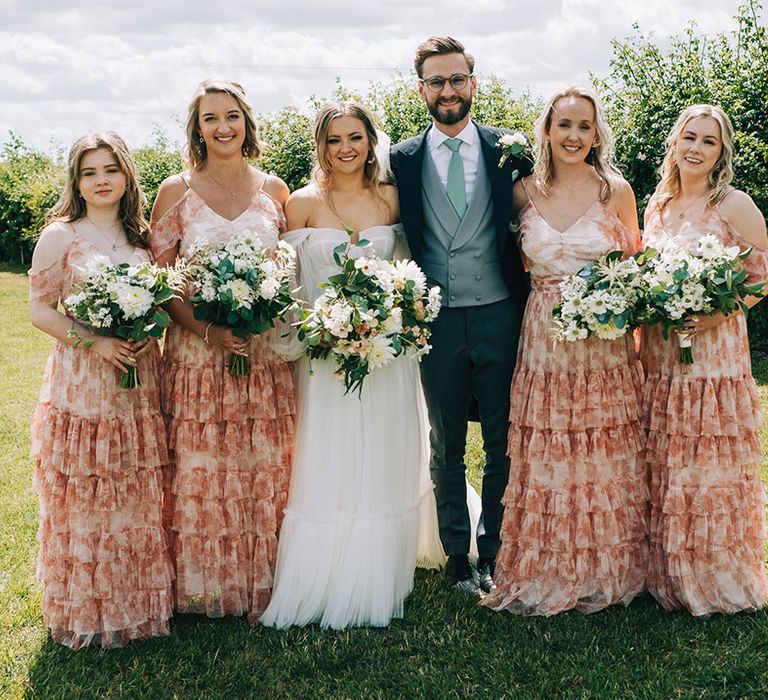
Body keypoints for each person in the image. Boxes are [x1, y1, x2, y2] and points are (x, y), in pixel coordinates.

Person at [260, 101, 453, 630]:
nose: (346, 148)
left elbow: (412, 271)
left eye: (355, 137)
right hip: (326, 357)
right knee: (331, 451)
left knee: (387, 448)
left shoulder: (391, 199)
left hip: (386, 355)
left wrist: (394, 317)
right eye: (334, 140)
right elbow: (287, 285)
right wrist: (323, 328)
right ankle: (327, 563)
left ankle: (385, 557)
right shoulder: (300, 205)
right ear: (319, 146)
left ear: (371, 141)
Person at [482, 86, 647, 616]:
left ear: (597, 134)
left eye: (584, 126)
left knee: (601, 447)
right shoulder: (523, 192)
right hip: (544, 339)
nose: (574, 136)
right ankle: (548, 564)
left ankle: (606, 566)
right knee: (549, 448)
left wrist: (609, 309)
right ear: (547, 131)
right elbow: (504, 260)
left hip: (603, 344)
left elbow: (633, 269)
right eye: (565, 125)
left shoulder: (615, 191)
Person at [389, 36, 531, 595]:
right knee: (446, 440)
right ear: (421, 89)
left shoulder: (510, 150)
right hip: (437, 319)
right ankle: (456, 553)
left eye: (457, 79)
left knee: (503, 437)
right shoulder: (401, 159)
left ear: (474, 82)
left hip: (500, 311)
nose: (448, 90)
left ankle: (493, 549)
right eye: (436, 81)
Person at [150, 79, 295, 622]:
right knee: (204, 468)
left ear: (246, 121)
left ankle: (265, 578)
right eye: (211, 118)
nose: (223, 127)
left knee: (263, 467)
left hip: (261, 355)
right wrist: (209, 332)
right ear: (198, 128)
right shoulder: (175, 192)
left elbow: (287, 268)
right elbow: (159, 283)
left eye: (232, 115)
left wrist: (263, 310)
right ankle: (204, 585)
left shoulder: (275, 190)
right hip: (197, 356)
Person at [28, 132, 173, 649]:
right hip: (85, 381)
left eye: (110, 169)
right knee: (89, 495)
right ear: (77, 181)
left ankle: (135, 603)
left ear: (126, 174)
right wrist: (96, 344)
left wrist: (146, 329)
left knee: (133, 493)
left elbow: (161, 303)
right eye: (89, 172)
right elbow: (40, 309)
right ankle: (90, 610)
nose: (101, 180)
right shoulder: (61, 236)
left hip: (136, 379)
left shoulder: (143, 238)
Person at [640, 104, 768, 616]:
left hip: (712, 352)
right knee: (669, 457)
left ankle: (714, 575)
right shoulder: (659, 205)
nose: (695, 148)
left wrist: (717, 317)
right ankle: (667, 571)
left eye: (708, 142)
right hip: (661, 349)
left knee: (705, 462)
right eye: (688, 137)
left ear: (720, 153)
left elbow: (762, 274)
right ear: (674, 142)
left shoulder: (732, 204)